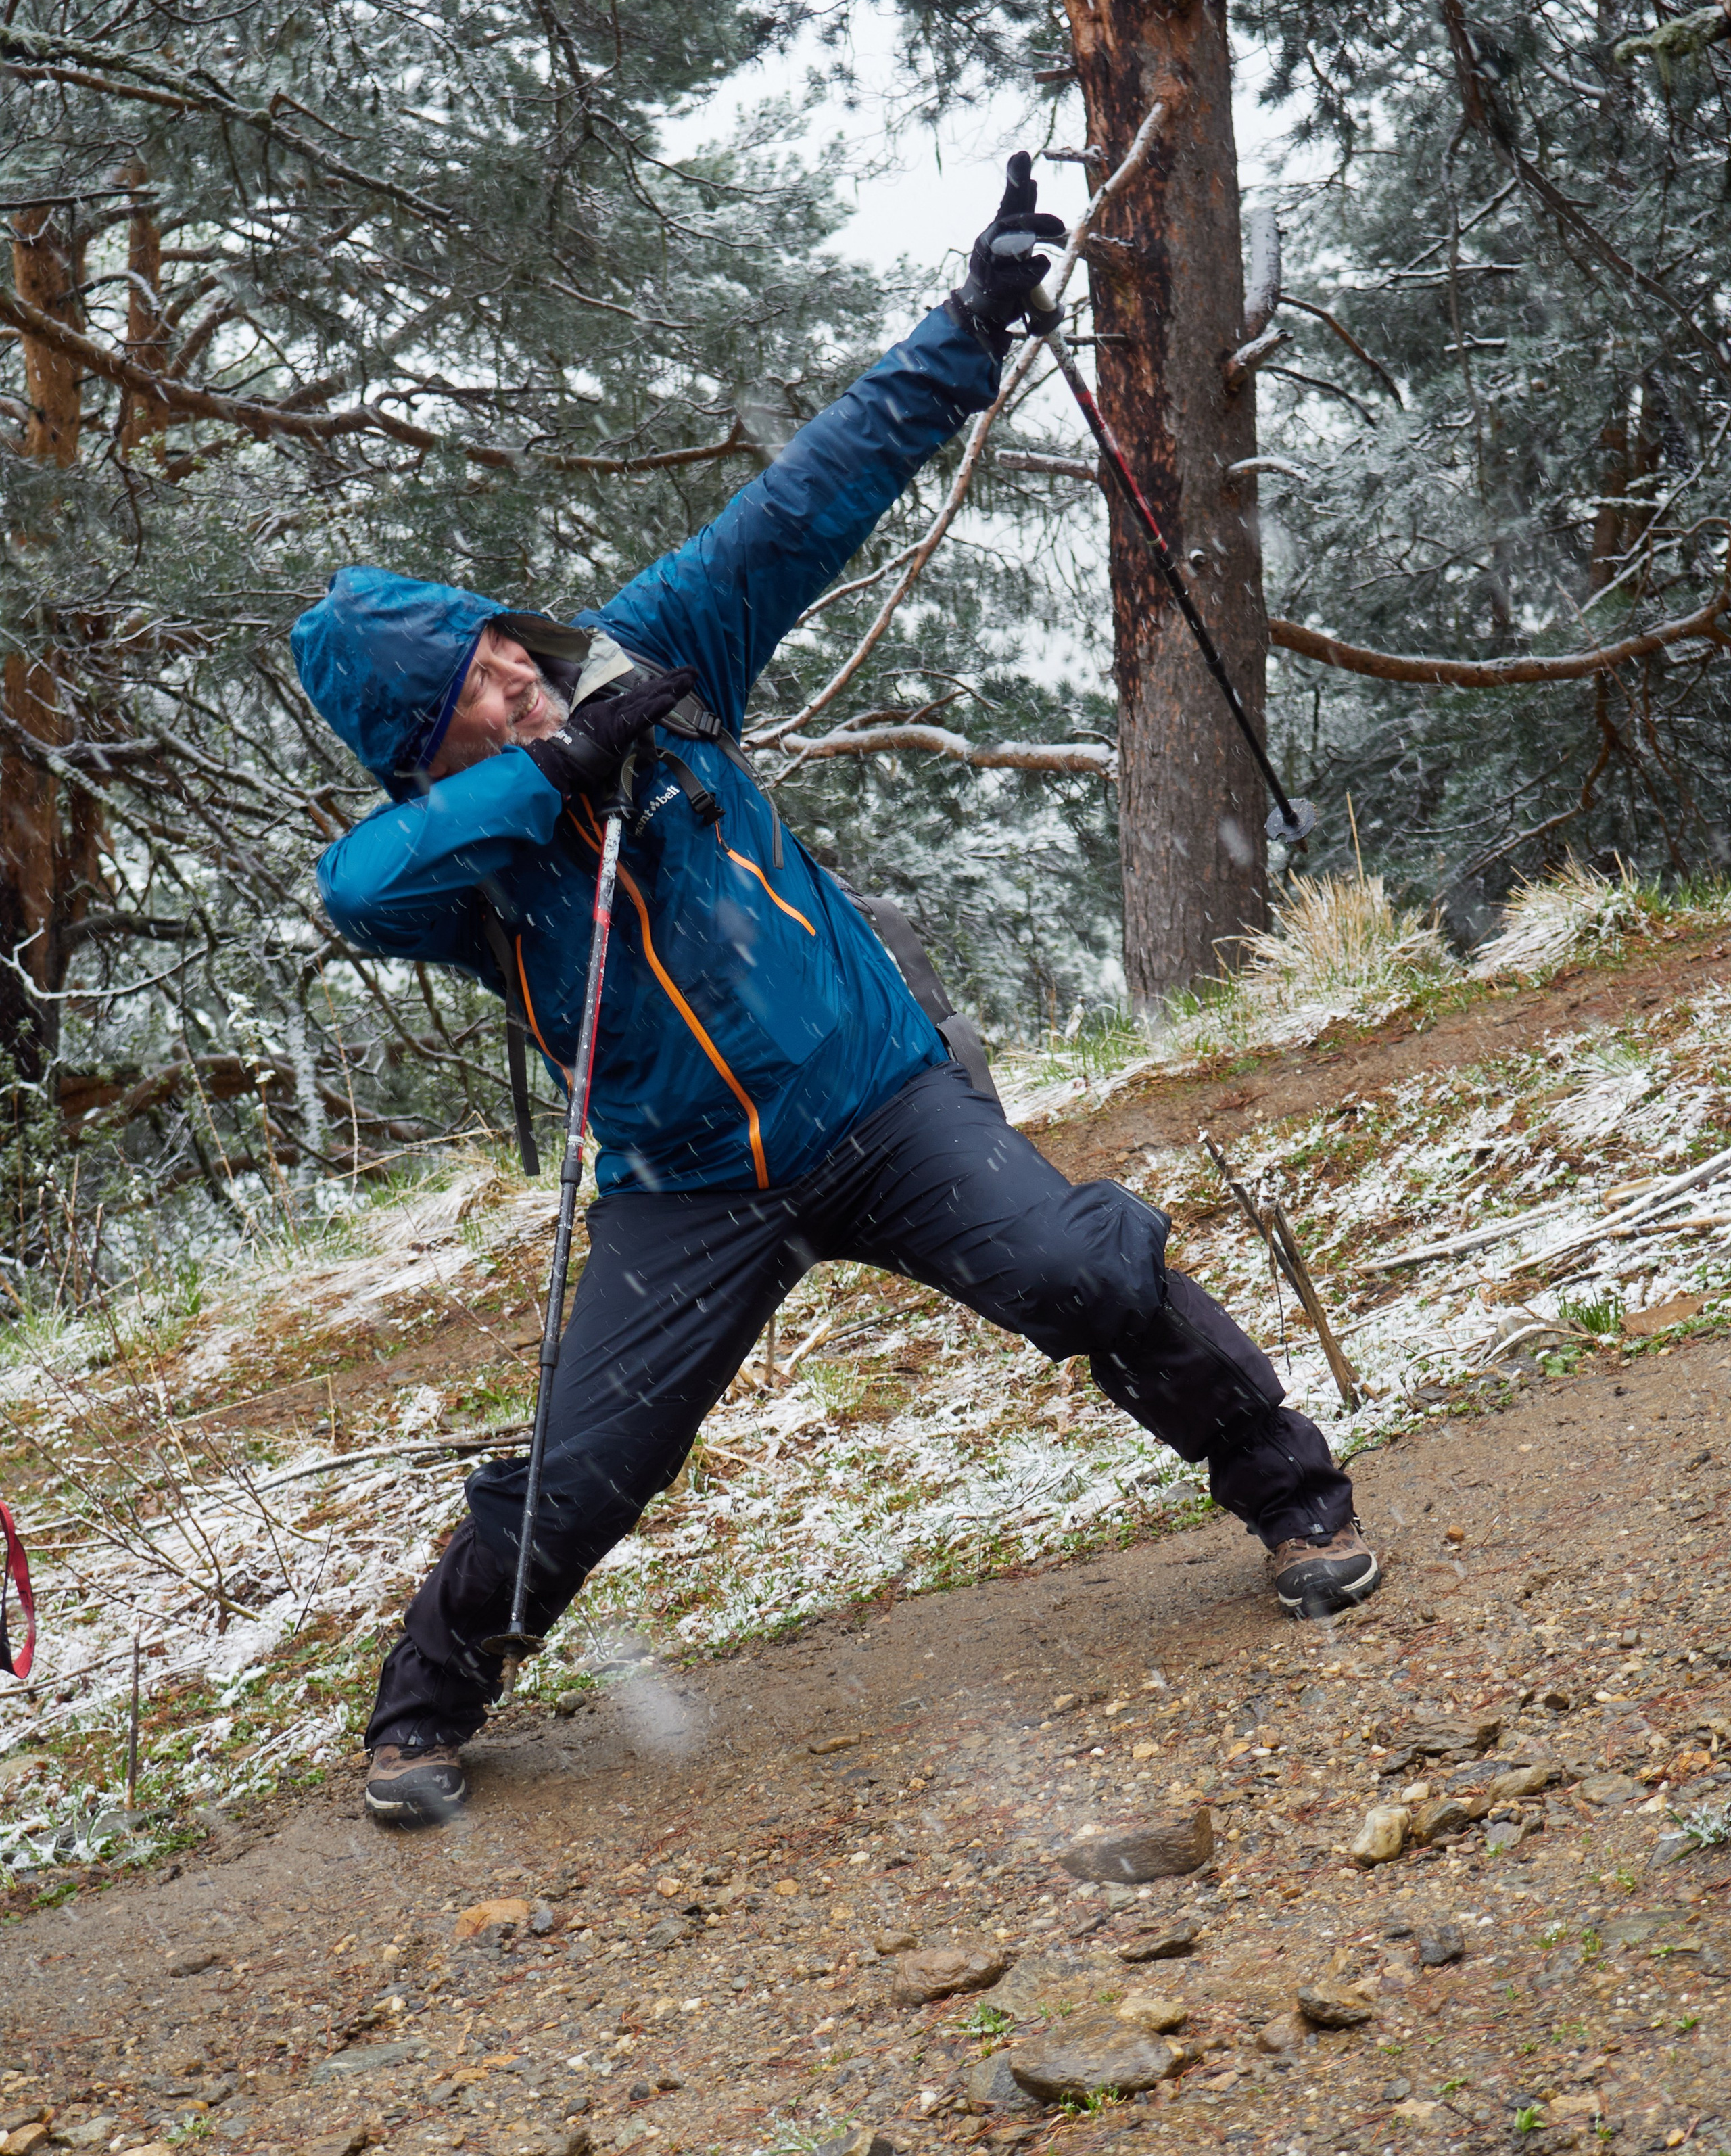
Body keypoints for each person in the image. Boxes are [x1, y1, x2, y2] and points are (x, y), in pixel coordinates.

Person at [293, 156, 1381, 1828]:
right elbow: (348, 892)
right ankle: (424, 1713)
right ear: (410, 751)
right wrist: (552, 774)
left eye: (506, 655)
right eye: (470, 696)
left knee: (1069, 1271)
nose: (517, 684)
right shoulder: (450, 862)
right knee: (586, 1470)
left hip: (877, 1096)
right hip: (686, 1191)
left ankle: (1294, 1497)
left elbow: (808, 499)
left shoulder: (656, 656)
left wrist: (970, 325)